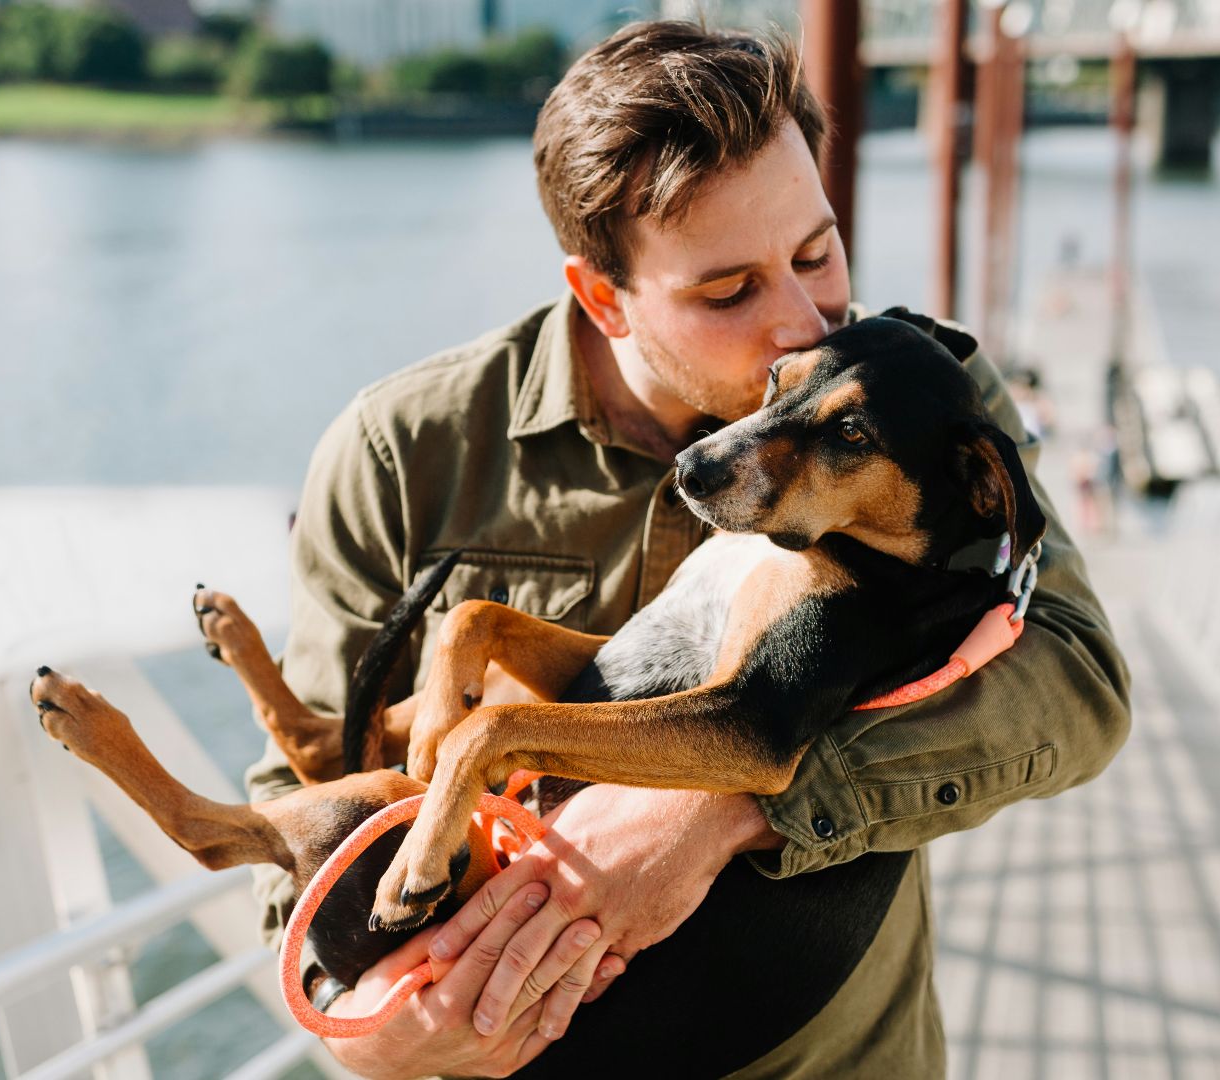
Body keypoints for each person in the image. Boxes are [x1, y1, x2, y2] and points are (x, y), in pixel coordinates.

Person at [244, 20, 1131, 1079]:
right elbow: (290, 869)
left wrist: (732, 803)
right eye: (729, 292)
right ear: (603, 298)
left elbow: (1080, 686)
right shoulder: (399, 457)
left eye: (817, 251)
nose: (806, 325)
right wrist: (384, 1038)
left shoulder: (917, 399)